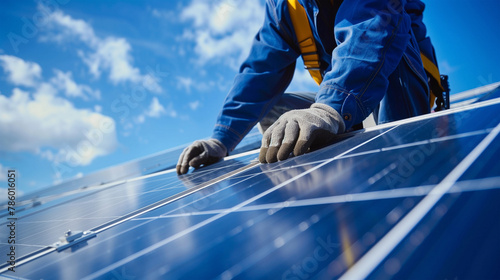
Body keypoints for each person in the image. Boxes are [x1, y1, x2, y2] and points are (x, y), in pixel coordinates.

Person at [177, 0, 440, 175]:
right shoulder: (285, 6)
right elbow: (260, 73)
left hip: (391, 84)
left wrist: (329, 109)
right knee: (277, 111)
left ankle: (402, 164)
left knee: (394, 45)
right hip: (344, 101)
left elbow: (371, 28)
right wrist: (220, 139)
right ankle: (319, 183)